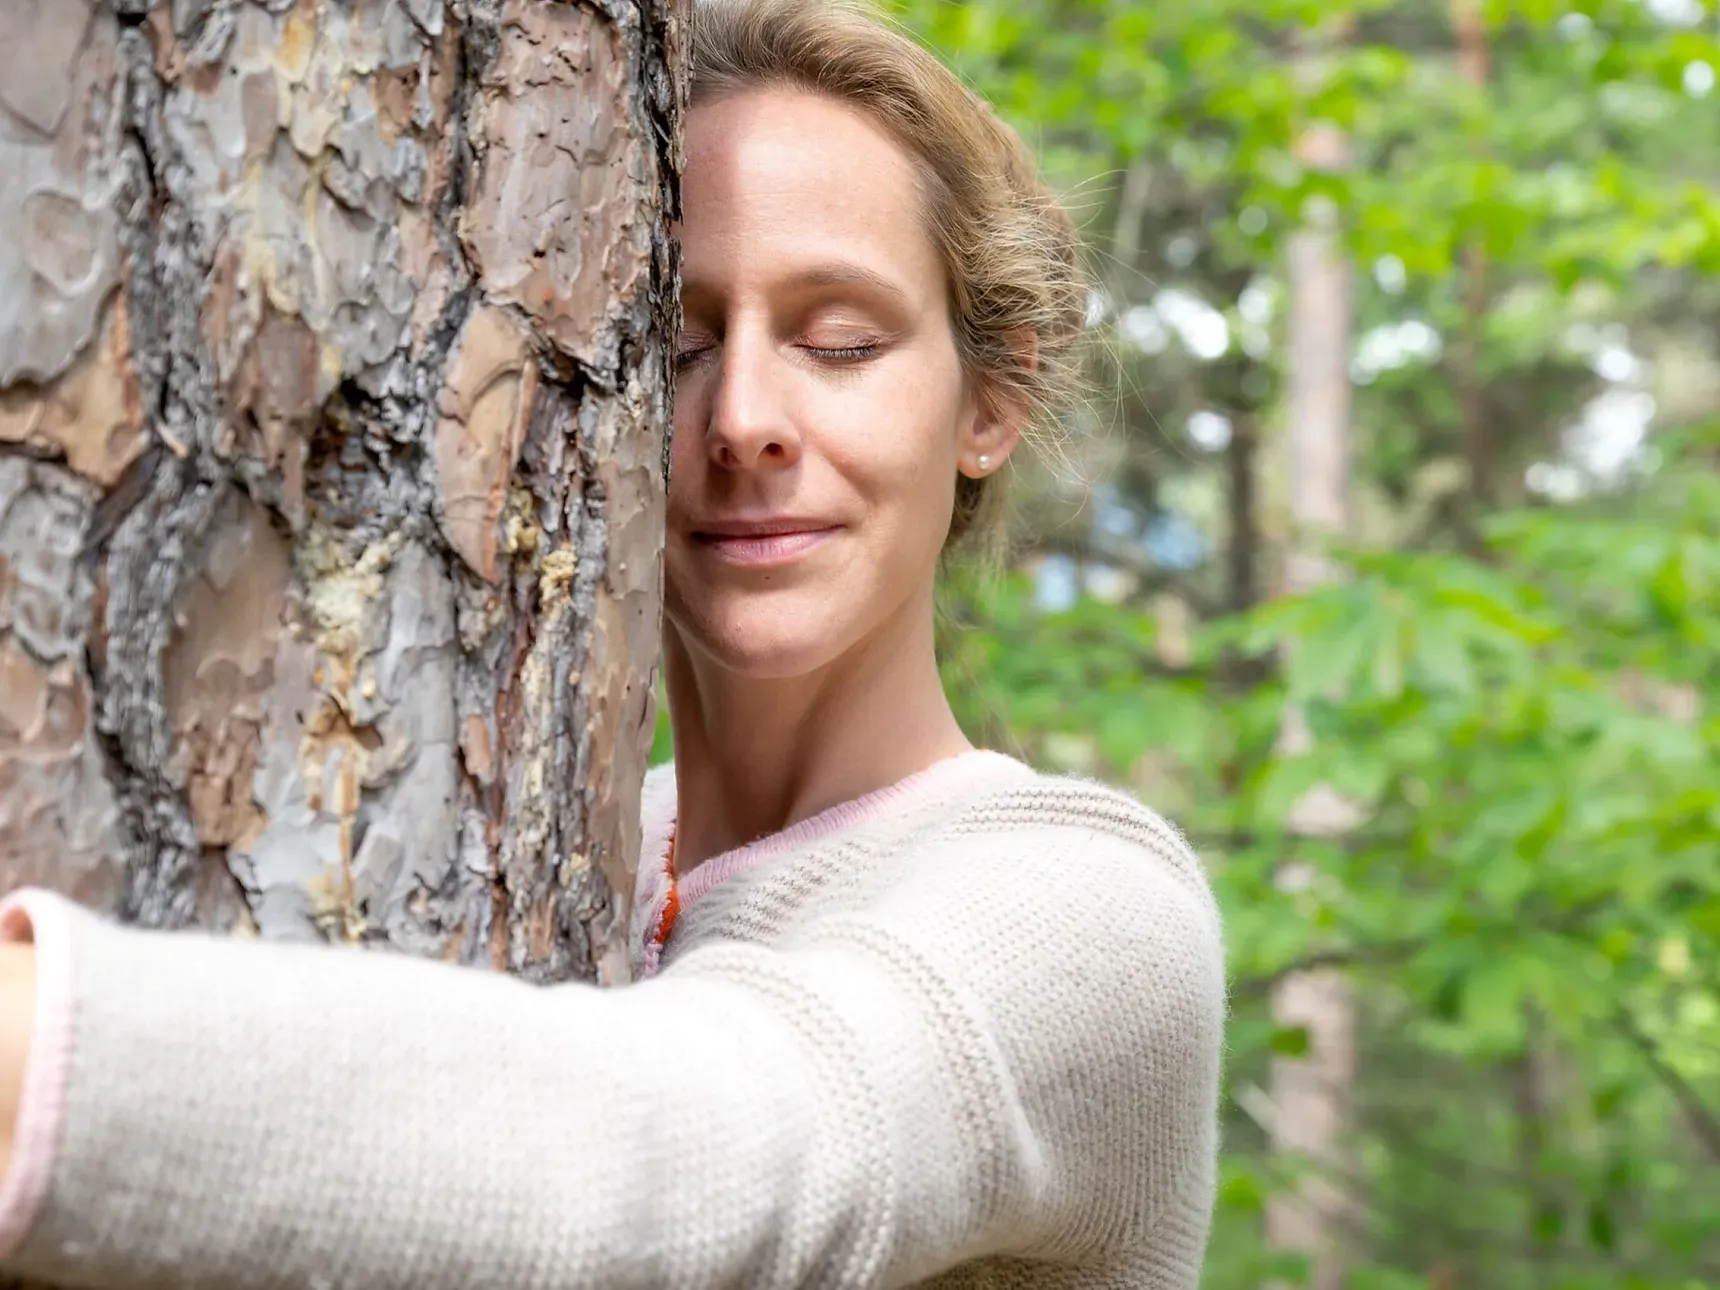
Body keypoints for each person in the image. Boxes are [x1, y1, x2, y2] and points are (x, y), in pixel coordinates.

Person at [0, 0, 1226, 1286]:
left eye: (840, 342)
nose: (745, 416)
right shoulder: (552, 834)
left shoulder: (1091, 914)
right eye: (678, 344)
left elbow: (686, 1159)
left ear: (992, 399)